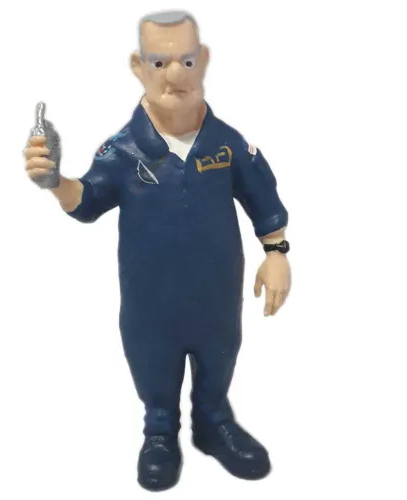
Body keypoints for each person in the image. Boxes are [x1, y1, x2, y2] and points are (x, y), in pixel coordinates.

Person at [24, 10, 291, 492]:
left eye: (186, 62)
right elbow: (87, 201)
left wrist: (277, 253)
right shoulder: (123, 151)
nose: (174, 75)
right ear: (138, 66)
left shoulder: (227, 145)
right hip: (150, 301)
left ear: (203, 60)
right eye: (159, 62)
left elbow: (264, 198)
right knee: (153, 366)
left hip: (216, 295)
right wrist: (55, 181)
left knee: (219, 358)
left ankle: (213, 421)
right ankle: (160, 432)